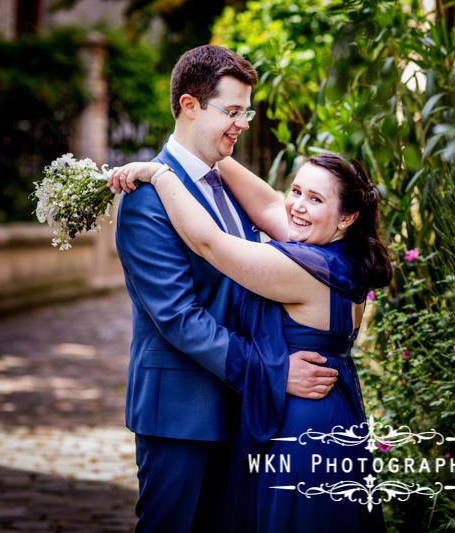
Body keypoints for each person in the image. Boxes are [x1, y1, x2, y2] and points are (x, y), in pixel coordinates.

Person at [114, 44, 338, 532]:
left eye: (247, 112)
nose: (243, 123)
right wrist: (272, 371)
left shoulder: (225, 182)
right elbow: (179, 317)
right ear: (190, 106)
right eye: (232, 111)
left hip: (241, 407)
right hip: (181, 414)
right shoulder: (146, 200)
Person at [110, 151, 391, 532]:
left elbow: (209, 244)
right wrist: (209, 152)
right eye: (296, 190)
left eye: (316, 199)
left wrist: (160, 173)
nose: (298, 206)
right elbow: (272, 205)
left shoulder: (301, 268)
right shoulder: (345, 259)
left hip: (300, 428)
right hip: (333, 415)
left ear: (347, 216)